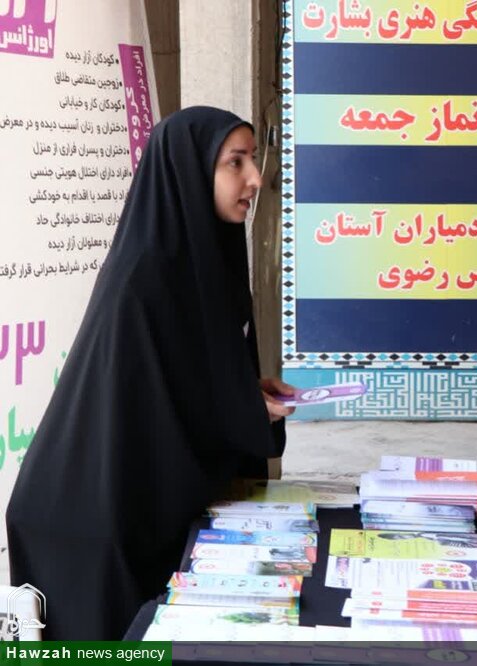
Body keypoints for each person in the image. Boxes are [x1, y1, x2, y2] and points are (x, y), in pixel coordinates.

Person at [6, 106, 296, 640]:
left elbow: (188, 376)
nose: (255, 178)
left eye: (253, 159)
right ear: (190, 170)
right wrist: (238, 409)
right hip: (98, 519)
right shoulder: (141, 280)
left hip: (145, 504)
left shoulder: (208, 257)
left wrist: (245, 392)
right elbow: (149, 414)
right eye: (236, 162)